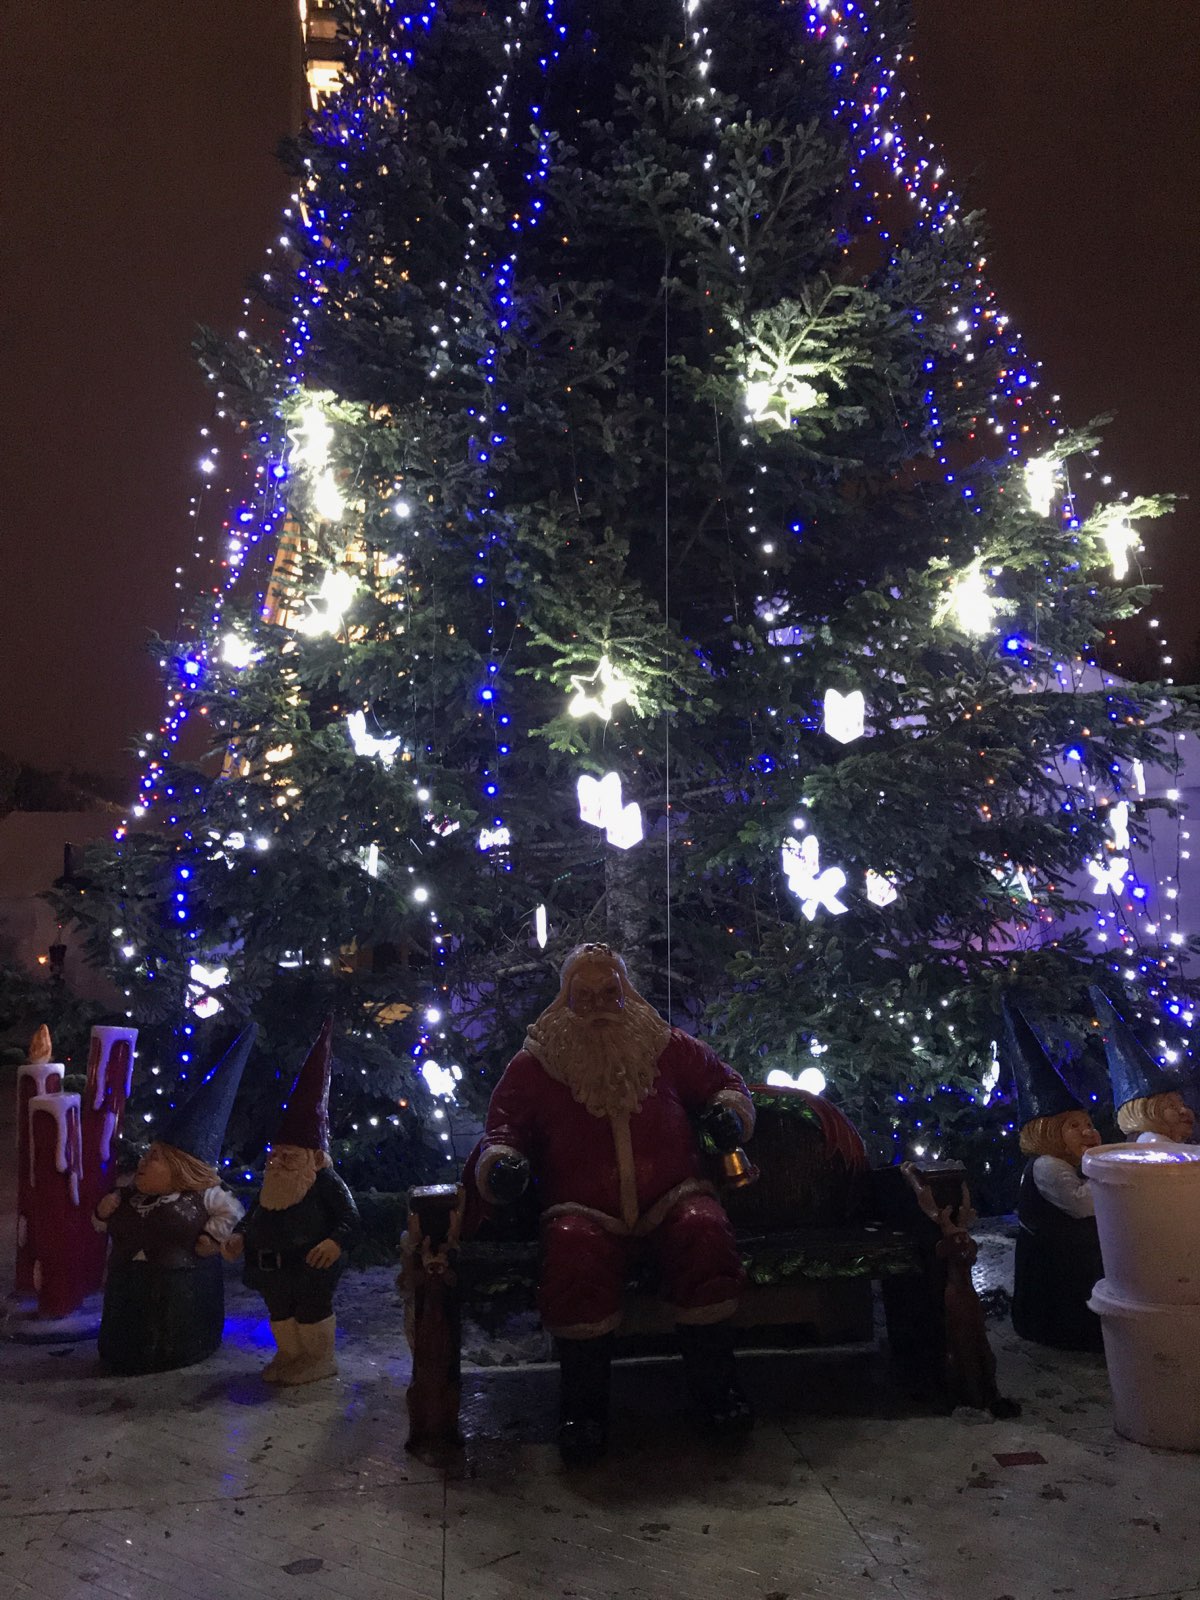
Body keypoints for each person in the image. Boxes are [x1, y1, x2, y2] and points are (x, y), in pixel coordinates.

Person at [476, 943, 755, 1463]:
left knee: (703, 1231)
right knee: (573, 1251)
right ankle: (583, 1410)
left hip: (672, 1198)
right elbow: (504, 1127)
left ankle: (717, 1391)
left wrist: (729, 1113)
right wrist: (503, 1162)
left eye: (610, 993)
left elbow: (724, 1084)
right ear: (566, 998)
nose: (599, 1007)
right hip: (583, 1208)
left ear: (627, 992)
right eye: (584, 997)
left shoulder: (667, 1047)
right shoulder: (536, 1065)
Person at [95, 1026, 255, 1374]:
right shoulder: (129, 1194)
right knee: (126, 1329)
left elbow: (232, 1211)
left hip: (182, 1289)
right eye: (146, 1154)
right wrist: (103, 1212)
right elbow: (103, 1224)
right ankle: (121, 1349)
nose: (143, 1162)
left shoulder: (205, 1197)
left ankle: (183, 1347)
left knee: (172, 1329)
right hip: (127, 1285)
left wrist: (212, 1236)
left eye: (154, 1158)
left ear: (182, 1168)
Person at [225, 1018, 359, 1385]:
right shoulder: (274, 1184)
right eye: (275, 1155)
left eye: (289, 1156)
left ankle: (318, 1358)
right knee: (280, 1313)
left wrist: (335, 1242)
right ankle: (289, 1354)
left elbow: (349, 1217)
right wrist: (240, 1236)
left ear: (313, 1158)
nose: (278, 1162)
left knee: (310, 1311)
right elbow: (256, 1213)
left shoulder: (324, 1182)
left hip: (310, 1267)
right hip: (272, 1271)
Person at [1002, 1002, 1104, 1352]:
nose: (1088, 1131)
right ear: (1047, 1133)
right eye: (1074, 1126)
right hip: (1057, 1266)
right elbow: (1081, 1205)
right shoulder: (1048, 1166)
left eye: (1088, 1124)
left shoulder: (1064, 1164)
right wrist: (1105, 1176)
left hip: (1070, 1255)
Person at [1090, 986, 1196, 1149]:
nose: (1184, 1111)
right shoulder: (1155, 1147)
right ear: (1144, 1113)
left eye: (1180, 1104)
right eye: (1172, 1106)